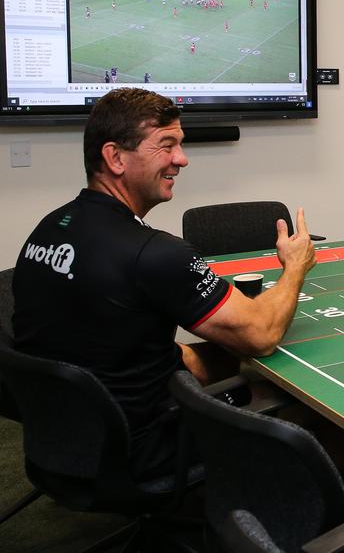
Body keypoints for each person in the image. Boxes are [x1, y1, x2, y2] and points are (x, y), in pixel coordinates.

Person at [12, 88, 317, 477]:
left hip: (66, 439)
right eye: (167, 145)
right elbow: (260, 333)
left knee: (218, 358)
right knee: (304, 417)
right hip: (144, 450)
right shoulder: (154, 253)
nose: (182, 159)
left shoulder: (50, 227)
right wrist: (295, 267)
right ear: (115, 157)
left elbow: (118, 343)